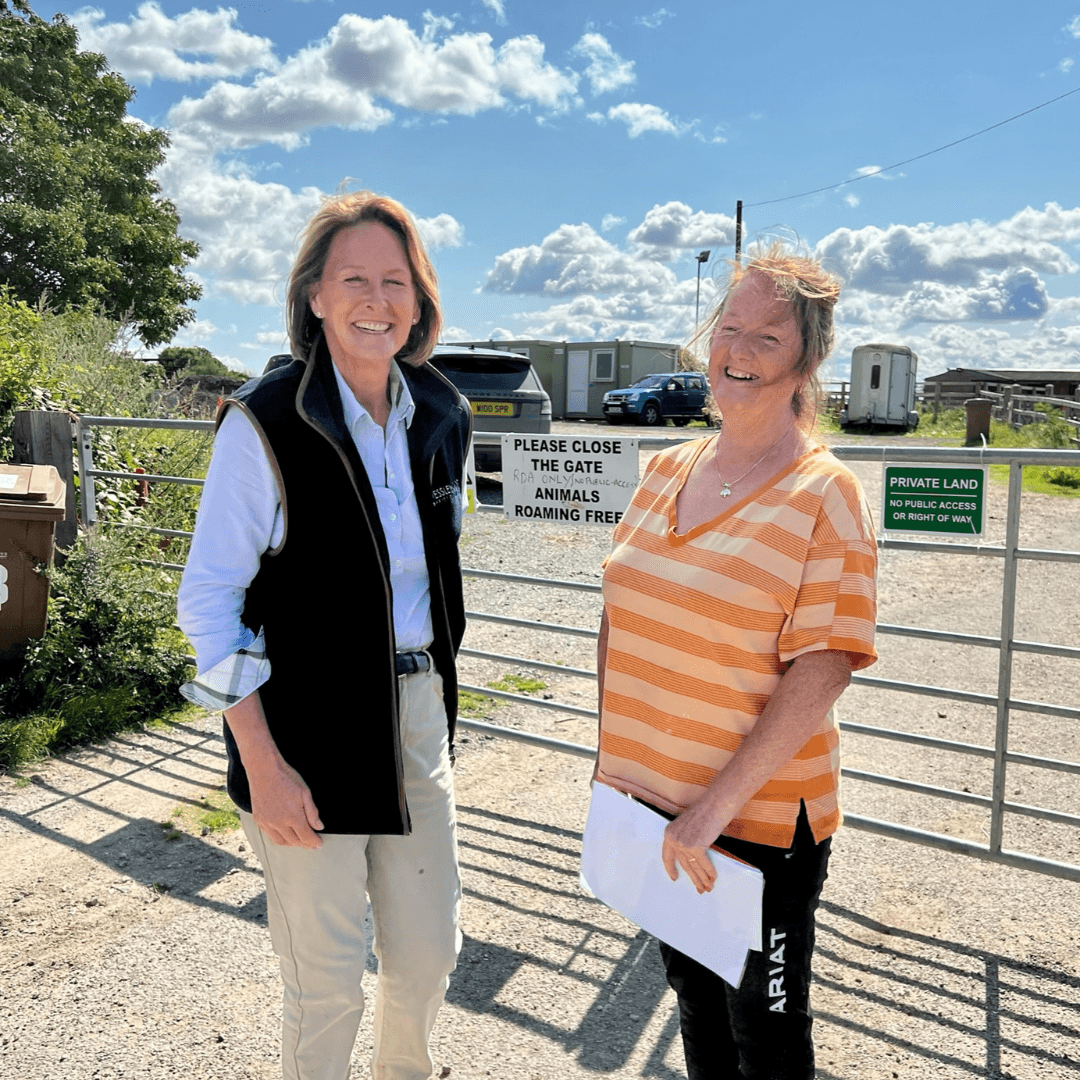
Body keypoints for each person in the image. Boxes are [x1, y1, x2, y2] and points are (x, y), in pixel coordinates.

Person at [177, 190, 472, 1080]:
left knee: (428, 956)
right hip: (302, 731)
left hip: (415, 713)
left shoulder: (440, 413)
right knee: (327, 977)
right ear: (313, 296)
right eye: (353, 278)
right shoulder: (265, 422)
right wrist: (264, 769)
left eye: (396, 279)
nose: (376, 299)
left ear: (419, 302)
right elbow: (207, 607)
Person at [594, 243, 878, 1079]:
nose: (739, 352)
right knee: (693, 1004)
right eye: (730, 327)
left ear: (808, 360)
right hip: (656, 802)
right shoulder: (662, 471)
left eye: (768, 337)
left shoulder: (825, 492)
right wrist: (615, 767)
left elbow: (824, 666)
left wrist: (712, 812)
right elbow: (619, 612)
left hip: (753, 824)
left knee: (767, 1037)